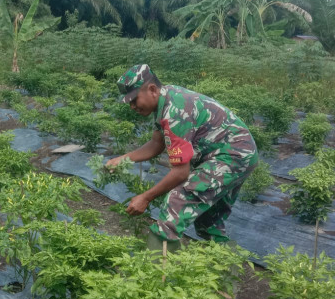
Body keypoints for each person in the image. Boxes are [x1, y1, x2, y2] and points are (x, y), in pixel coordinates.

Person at [107, 64, 258, 251]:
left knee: (176, 202)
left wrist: (145, 197)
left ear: (152, 89)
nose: (132, 106)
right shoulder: (166, 100)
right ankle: (227, 272)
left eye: (134, 99)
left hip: (232, 156)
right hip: (239, 154)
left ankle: (156, 274)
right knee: (208, 222)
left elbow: (180, 173)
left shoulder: (174, 112)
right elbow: (156, 144)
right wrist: (123, 159)